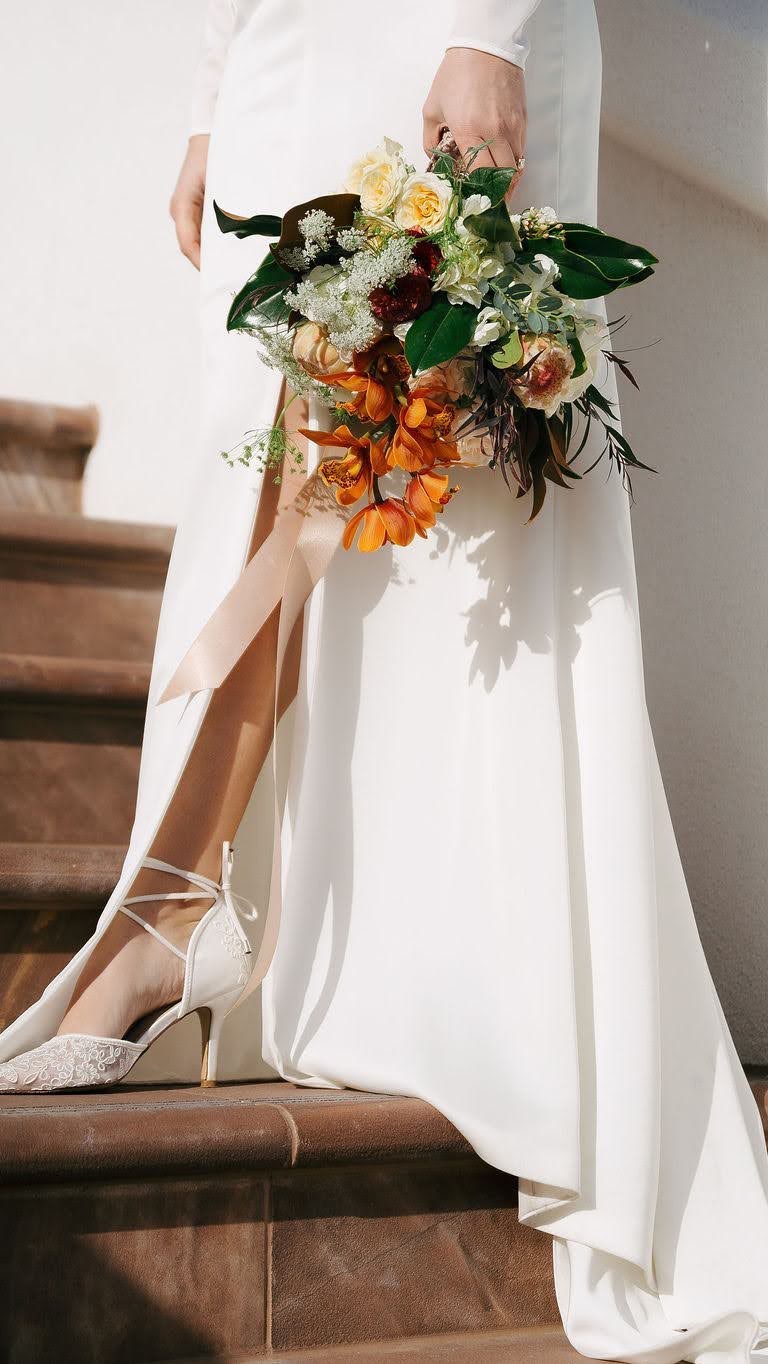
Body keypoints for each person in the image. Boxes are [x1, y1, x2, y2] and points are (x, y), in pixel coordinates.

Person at [2, 2, 768, 1359]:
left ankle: (443, 982)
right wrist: (211, 94)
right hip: (285, 44)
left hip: (443, 31)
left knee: (443, 488)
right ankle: (183, 904)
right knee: (269, 450)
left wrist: (492, 27)